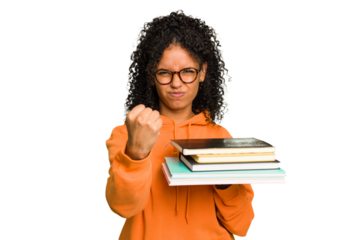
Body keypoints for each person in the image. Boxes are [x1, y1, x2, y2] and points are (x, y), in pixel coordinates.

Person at [105, 8, 255, 240]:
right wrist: (136, 153)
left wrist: (225, 183)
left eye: (187, 72)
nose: (176, 83)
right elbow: (121, 208)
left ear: (203, 72)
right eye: (164, 72)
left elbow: (242, 226)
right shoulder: (127, 133)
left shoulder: (222, 135)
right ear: (151, 73)